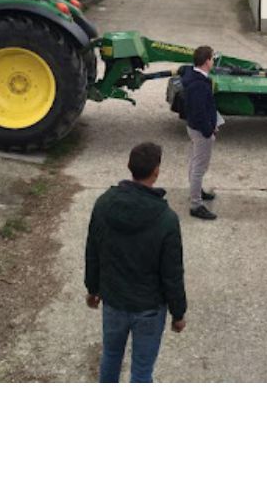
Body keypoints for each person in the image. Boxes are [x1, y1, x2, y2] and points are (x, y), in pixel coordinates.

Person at [84, 142, 187, 383]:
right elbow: (172, 273)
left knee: (110, 356)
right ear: (156, 172)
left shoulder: (103, 204)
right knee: (141, 371)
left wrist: (92, 288)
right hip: (149, 309)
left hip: (114, 302)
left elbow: (93, 250)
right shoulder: (166, 219)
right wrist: (178, 312)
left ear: (129, 167)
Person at [181, 45, 219, 220]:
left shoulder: (194, 77)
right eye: (212, 58)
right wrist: (209, 130)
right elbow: (199, 112)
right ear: (206, 62)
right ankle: (196, 204)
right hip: (200, 130)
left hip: (194, 128)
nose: (213, 61)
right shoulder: (199, 85)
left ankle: (197, 191)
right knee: (199, 167)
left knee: (195, 162)